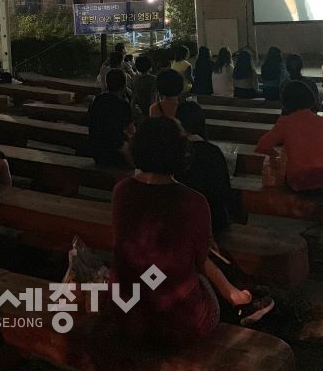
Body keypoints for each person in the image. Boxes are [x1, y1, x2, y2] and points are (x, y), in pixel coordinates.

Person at [111, 117, 267, 344]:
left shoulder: (122, 191)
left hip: (126, 311)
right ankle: (236, 303)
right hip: (181, 322)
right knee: (203, 281)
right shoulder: (193, 201)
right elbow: (200, 260)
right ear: (181, 152)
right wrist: (231, 292)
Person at [174, 100, 246, 233]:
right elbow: (224, 188)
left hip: (181, 219)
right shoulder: (213, 152)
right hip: (214, 219)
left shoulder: (175, 151)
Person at [255, 82, 323, 193]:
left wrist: (275, 155)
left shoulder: (286, 122)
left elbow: (262, 146)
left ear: (285, 102)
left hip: (300, 181)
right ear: (310, 98)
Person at [87, 69, 135, 167]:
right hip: (114, 152)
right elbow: (131, 131)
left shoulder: (97, 100)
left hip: (96, 152)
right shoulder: (123, 105)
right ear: (124, 85)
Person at [131, 55, 158, 119]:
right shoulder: (154, 79)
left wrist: (132, 109)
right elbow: (154, 96)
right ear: (150, 66)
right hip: (153, 108)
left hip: (141, 109)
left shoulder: (135, 79)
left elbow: (134, 96)